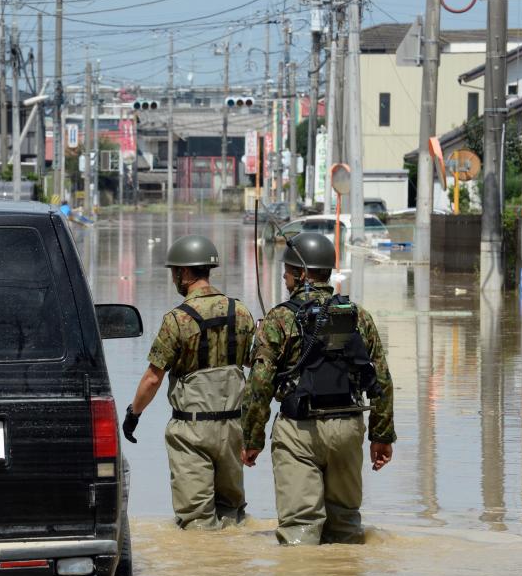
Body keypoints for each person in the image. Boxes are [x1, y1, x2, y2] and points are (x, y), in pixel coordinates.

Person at [240, 232, 395, 545]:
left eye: (286, 271)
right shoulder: (357, 315)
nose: (284, 277)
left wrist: (252, 438)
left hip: (299, 432)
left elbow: (259, 383)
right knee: (347, 525)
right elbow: (380, 379)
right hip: (349, 428)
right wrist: (381, 436)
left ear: (299, 274)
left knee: (300, 527)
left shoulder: (280, 318)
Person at [122, 235, 256, 530]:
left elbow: (152, 378)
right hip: (234, 428)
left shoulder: (177, 320)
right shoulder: (241, 312)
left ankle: (199, 572)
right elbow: (254, 363)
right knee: (233, 515)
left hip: (192, 430)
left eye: (174, 272)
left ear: (183, 273)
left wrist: (134, 414)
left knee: (197, 522)